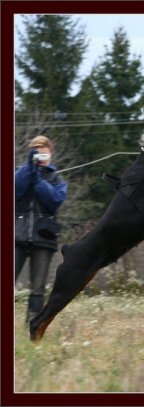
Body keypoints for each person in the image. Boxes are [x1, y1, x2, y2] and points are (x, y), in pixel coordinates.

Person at [15, 135, 68, 324]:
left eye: (45, 156)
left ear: (51, 155)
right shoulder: (21, 173)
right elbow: (14, 189)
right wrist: (29, 168)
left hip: (43, 237)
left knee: (38, 288)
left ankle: (32, 324)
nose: (42, 160)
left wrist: (38, 180)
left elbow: (54, 201)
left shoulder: (56, 178)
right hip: (16, 235)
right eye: (38, 155)